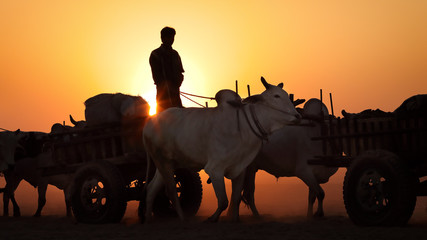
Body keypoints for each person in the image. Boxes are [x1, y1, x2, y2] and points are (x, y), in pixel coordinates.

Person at [149, 26, 184, 113]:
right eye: (168, 37)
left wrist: (178, 83)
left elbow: (181, 72)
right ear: (162, 38)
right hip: (163, 97)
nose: (171, 39)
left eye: (172, 37)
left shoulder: (175, 54)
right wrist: (166, 85)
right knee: (163, 119)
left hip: (176, 96)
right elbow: (156, 76)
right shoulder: (156, 54)